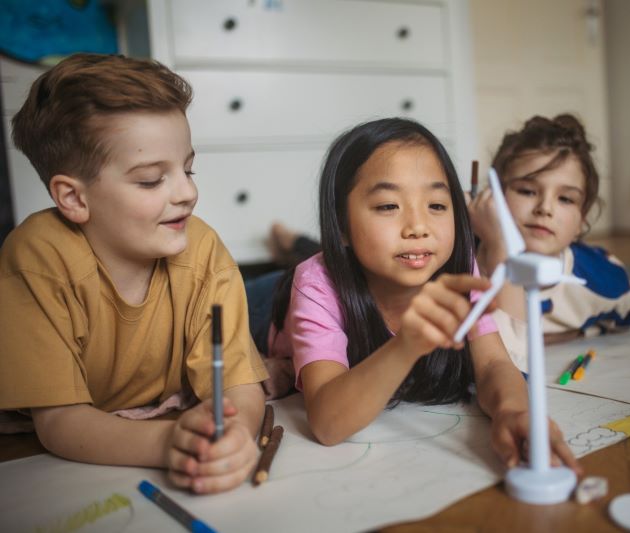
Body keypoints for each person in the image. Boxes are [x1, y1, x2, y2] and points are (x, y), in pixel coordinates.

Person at [0, 53, 268, 494]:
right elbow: (59, 422)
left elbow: (239, 386)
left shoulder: (202, 247)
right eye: (150, 180)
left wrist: (236, 435)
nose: (188, 192)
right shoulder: (37, 259)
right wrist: (167, 442)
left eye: (188, 169)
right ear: (74, 198)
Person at [266, 117, 581, 472]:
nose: (418, 227)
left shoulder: (459, 266)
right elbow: (327, 424)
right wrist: (407, 344)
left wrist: (513, 411)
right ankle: (287, 242)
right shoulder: (316, 284)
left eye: (436, 205)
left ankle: (291, 241)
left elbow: (493, 363)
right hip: (274, 302)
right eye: (389, 206)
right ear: (340, 225)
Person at [468, 114, 630, 371]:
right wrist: (500, 246)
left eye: (565, 199)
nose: (545, 208)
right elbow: (507, 368)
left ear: (581, 222)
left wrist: (580, 332)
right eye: (527, 191)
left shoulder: (600, 279)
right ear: (491, 196)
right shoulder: (461, 265)